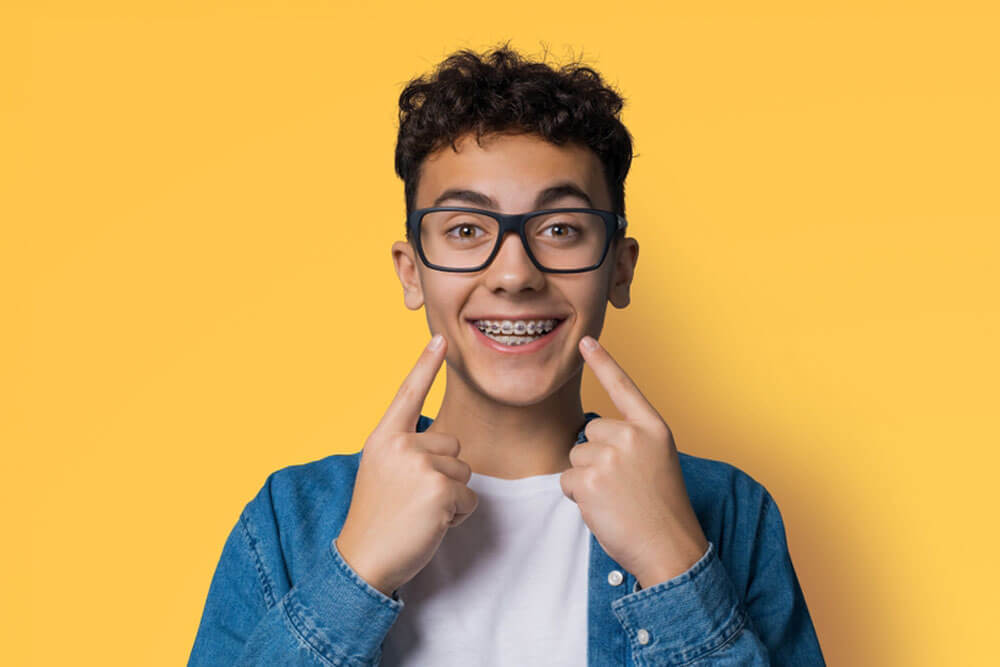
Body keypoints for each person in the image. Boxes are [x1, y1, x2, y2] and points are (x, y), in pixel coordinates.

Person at [187, 43, 825, 666]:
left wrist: (673, 563)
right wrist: (355, 573)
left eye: (560, 229)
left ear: (620, 270)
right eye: (466, 230)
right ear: (412, 272)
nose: (514, 273)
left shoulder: (730, 511)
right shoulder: (292, 516)